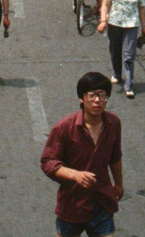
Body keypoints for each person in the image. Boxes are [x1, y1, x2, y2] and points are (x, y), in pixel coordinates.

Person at [40, 71, 124, 237]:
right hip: (73, 204)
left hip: (102, 201)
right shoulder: (64, 128)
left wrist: (119, 184)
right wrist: (75, 175)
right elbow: (48, 162)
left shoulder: (114, 123)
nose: (97, 101)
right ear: (81, 98)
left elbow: (115, 157)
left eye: (102, 95)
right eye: (92, 95)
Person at [98, 0, 145, 98]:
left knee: (129, 54)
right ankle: (117, 73)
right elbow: (106, 4)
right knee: (115, 49)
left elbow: (141, 8)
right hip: (114, 23)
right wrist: (103, 20)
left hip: (131, 25)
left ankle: (129, 85)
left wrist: (144, 26)